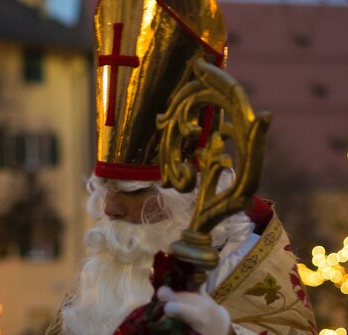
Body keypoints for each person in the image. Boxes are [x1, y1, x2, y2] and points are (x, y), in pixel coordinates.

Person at [46, 1, 316, 334]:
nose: (110, 208)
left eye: (136, 190)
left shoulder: (247, 248)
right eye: (104, 188)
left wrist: (224, 333)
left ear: (188, 191)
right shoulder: (98, 282)